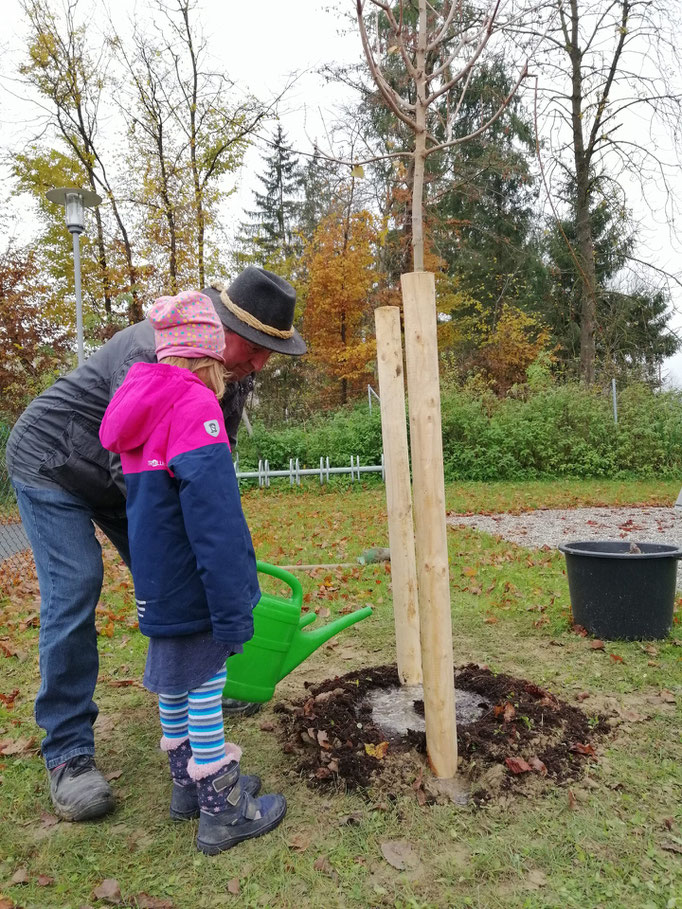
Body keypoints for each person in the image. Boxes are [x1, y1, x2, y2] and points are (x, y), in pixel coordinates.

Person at [6, 266, 306, 822]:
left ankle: (199, 701)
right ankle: (69, 753)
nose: (262, 361)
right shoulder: (158, 354)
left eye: (272, 351)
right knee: (77, 586)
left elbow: (213, 465)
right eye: (258, 346)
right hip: (55, 461)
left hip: (133, 478)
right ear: (219, 327)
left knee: (175, 592)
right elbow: (146, 480)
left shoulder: (224, 372)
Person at [99, 290, 286, 853]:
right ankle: (223, 806)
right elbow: (215, 521)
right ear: (209, 354)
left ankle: (187, 787)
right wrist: (233, 604)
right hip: (193, 577)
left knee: (176, 679)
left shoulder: (144, 403)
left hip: (158, 580)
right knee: (206, 681)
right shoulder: (194, 405)